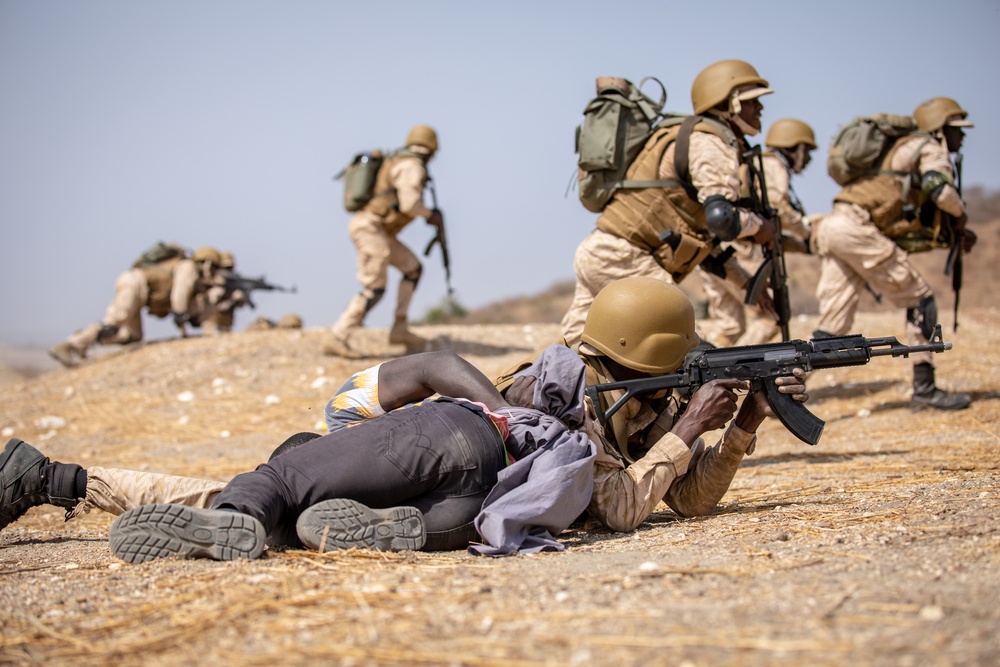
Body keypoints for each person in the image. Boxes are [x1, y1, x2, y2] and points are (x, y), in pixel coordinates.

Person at [3, 347, 595, 561]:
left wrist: (497, 411)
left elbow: (438, 363)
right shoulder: (567, 446)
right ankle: (53, 478)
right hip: (472, 502)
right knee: (396, 524)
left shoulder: (347, 413)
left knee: (269, 486)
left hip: (453, 438)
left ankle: (234, 519)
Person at [504, 277, 808, 532]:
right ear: (654, 353)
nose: (683, 364)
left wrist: (747, 421)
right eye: (679, 354)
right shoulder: (573, 400)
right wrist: (691, 423)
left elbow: (692, 499)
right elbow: (619, 511)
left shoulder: (644, 397)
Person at [560, 59, 777, 346]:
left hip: (602, 252)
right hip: (627, 258)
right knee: (678, 347)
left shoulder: (686, 135)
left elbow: (707, 247)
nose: (759, 109)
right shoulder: (709, 141)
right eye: (751, 102)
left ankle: (528, 389)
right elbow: (722, 219)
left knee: (575, 349)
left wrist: (747, 284)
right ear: (728, 104)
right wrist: (761, 227)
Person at [812, 97, 976, 410]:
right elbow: (938, 187)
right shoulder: (927, 146)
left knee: (833, 324)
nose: (962, 137)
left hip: (834, 225)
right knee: (920, 300)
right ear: (940, 129)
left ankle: (779, 389)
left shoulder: (894, 151)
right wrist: (961, 213)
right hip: (857, 229)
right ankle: (925, 387)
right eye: (957, 130)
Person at [324, 125, 444, 357]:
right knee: (374, 287)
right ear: (432, 149)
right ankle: (338, 335)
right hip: (370, 228)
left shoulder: (400, 161)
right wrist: (430, 215)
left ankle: (399, 328)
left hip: (379, 231)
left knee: (413, 268)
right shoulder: (411, 166)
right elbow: (409, 204)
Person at [699, 118, 817, 346]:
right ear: (796, 147)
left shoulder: (761, 165)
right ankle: (730, 373)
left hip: (717, 253)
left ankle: (705, 375)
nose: (809, 159)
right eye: (807, 151)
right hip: (742, 255)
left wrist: (802, 245)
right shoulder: (774, 165)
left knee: (730, 328)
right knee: (771, 318)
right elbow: (779, 209)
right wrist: (805, 230)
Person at [48, 245, 222, 367]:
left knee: (129, 335)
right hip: (136, 284)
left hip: (140, 290)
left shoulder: (190, 270)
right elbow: (180, 294)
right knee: (114, 323)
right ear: (206, 262)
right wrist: (180, 314)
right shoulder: (188, 266)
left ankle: (83, 344)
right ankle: (70, 345)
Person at [194, 251, 247, 335]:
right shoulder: (212, 283)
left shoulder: (233, 285)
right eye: (225, 268)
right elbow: (213, 300)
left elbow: (240, 306)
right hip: (211, 322)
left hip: (226, 323)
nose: (227, 271)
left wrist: (235, 298)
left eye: (230, 268)